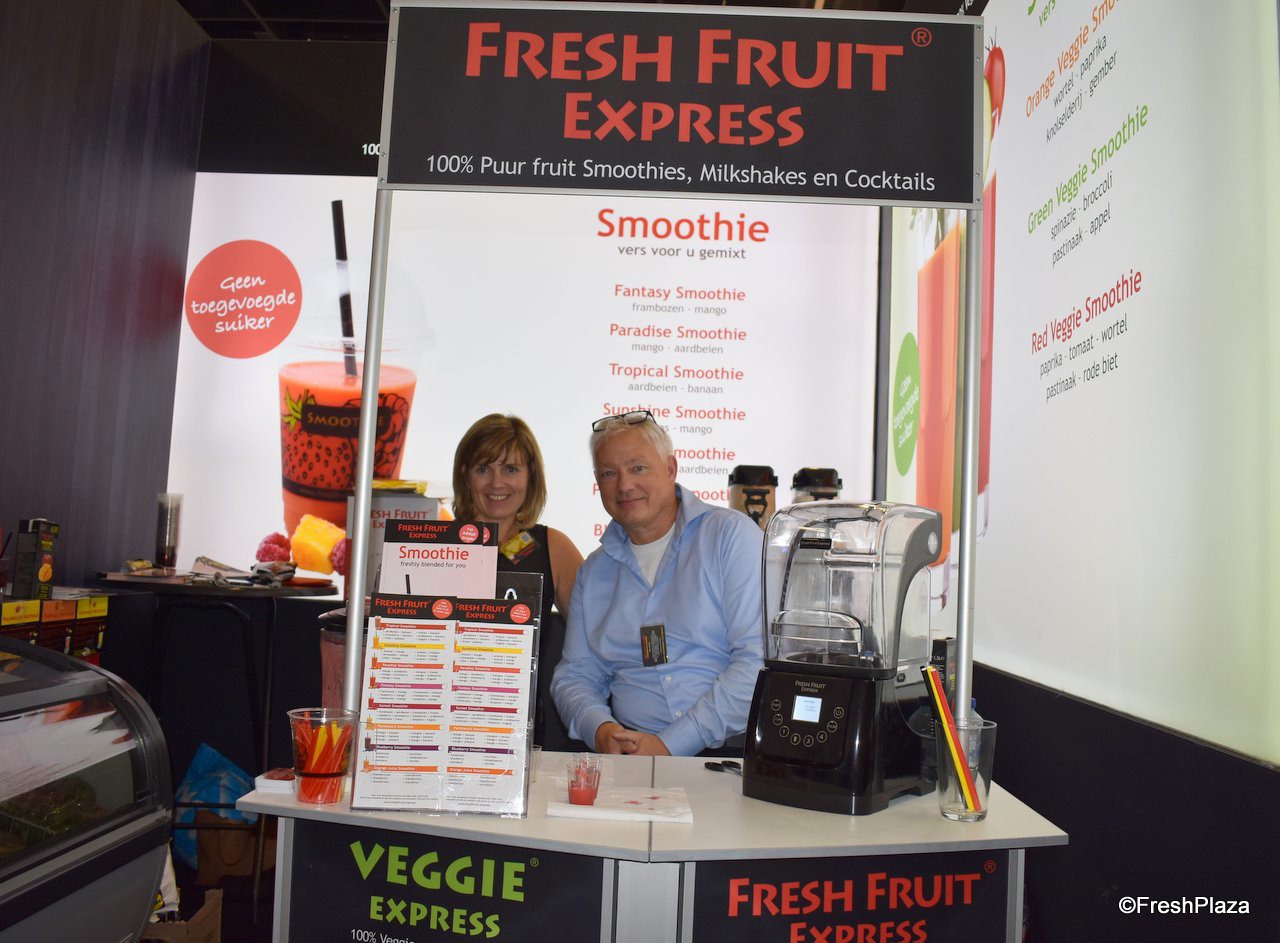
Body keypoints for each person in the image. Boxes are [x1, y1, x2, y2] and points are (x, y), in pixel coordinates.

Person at [551, 410, 764, 756]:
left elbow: (757, 661)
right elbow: (574, 676)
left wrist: (670, 744)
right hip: (631, 755)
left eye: (638, 468)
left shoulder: (729, 536)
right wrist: (600, 730)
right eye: (609, 473)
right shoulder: (593, 573)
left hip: (731, 757)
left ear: (670, 469)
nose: (624, 486)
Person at [452, 414, 584, 750]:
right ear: (465, 475)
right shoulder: (431, 545)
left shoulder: (553, 546)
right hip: (438, 726)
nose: (497, 483)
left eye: (511, 469)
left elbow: (597, 637)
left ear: (530, 476)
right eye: (484, 469)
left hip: (519, 734)